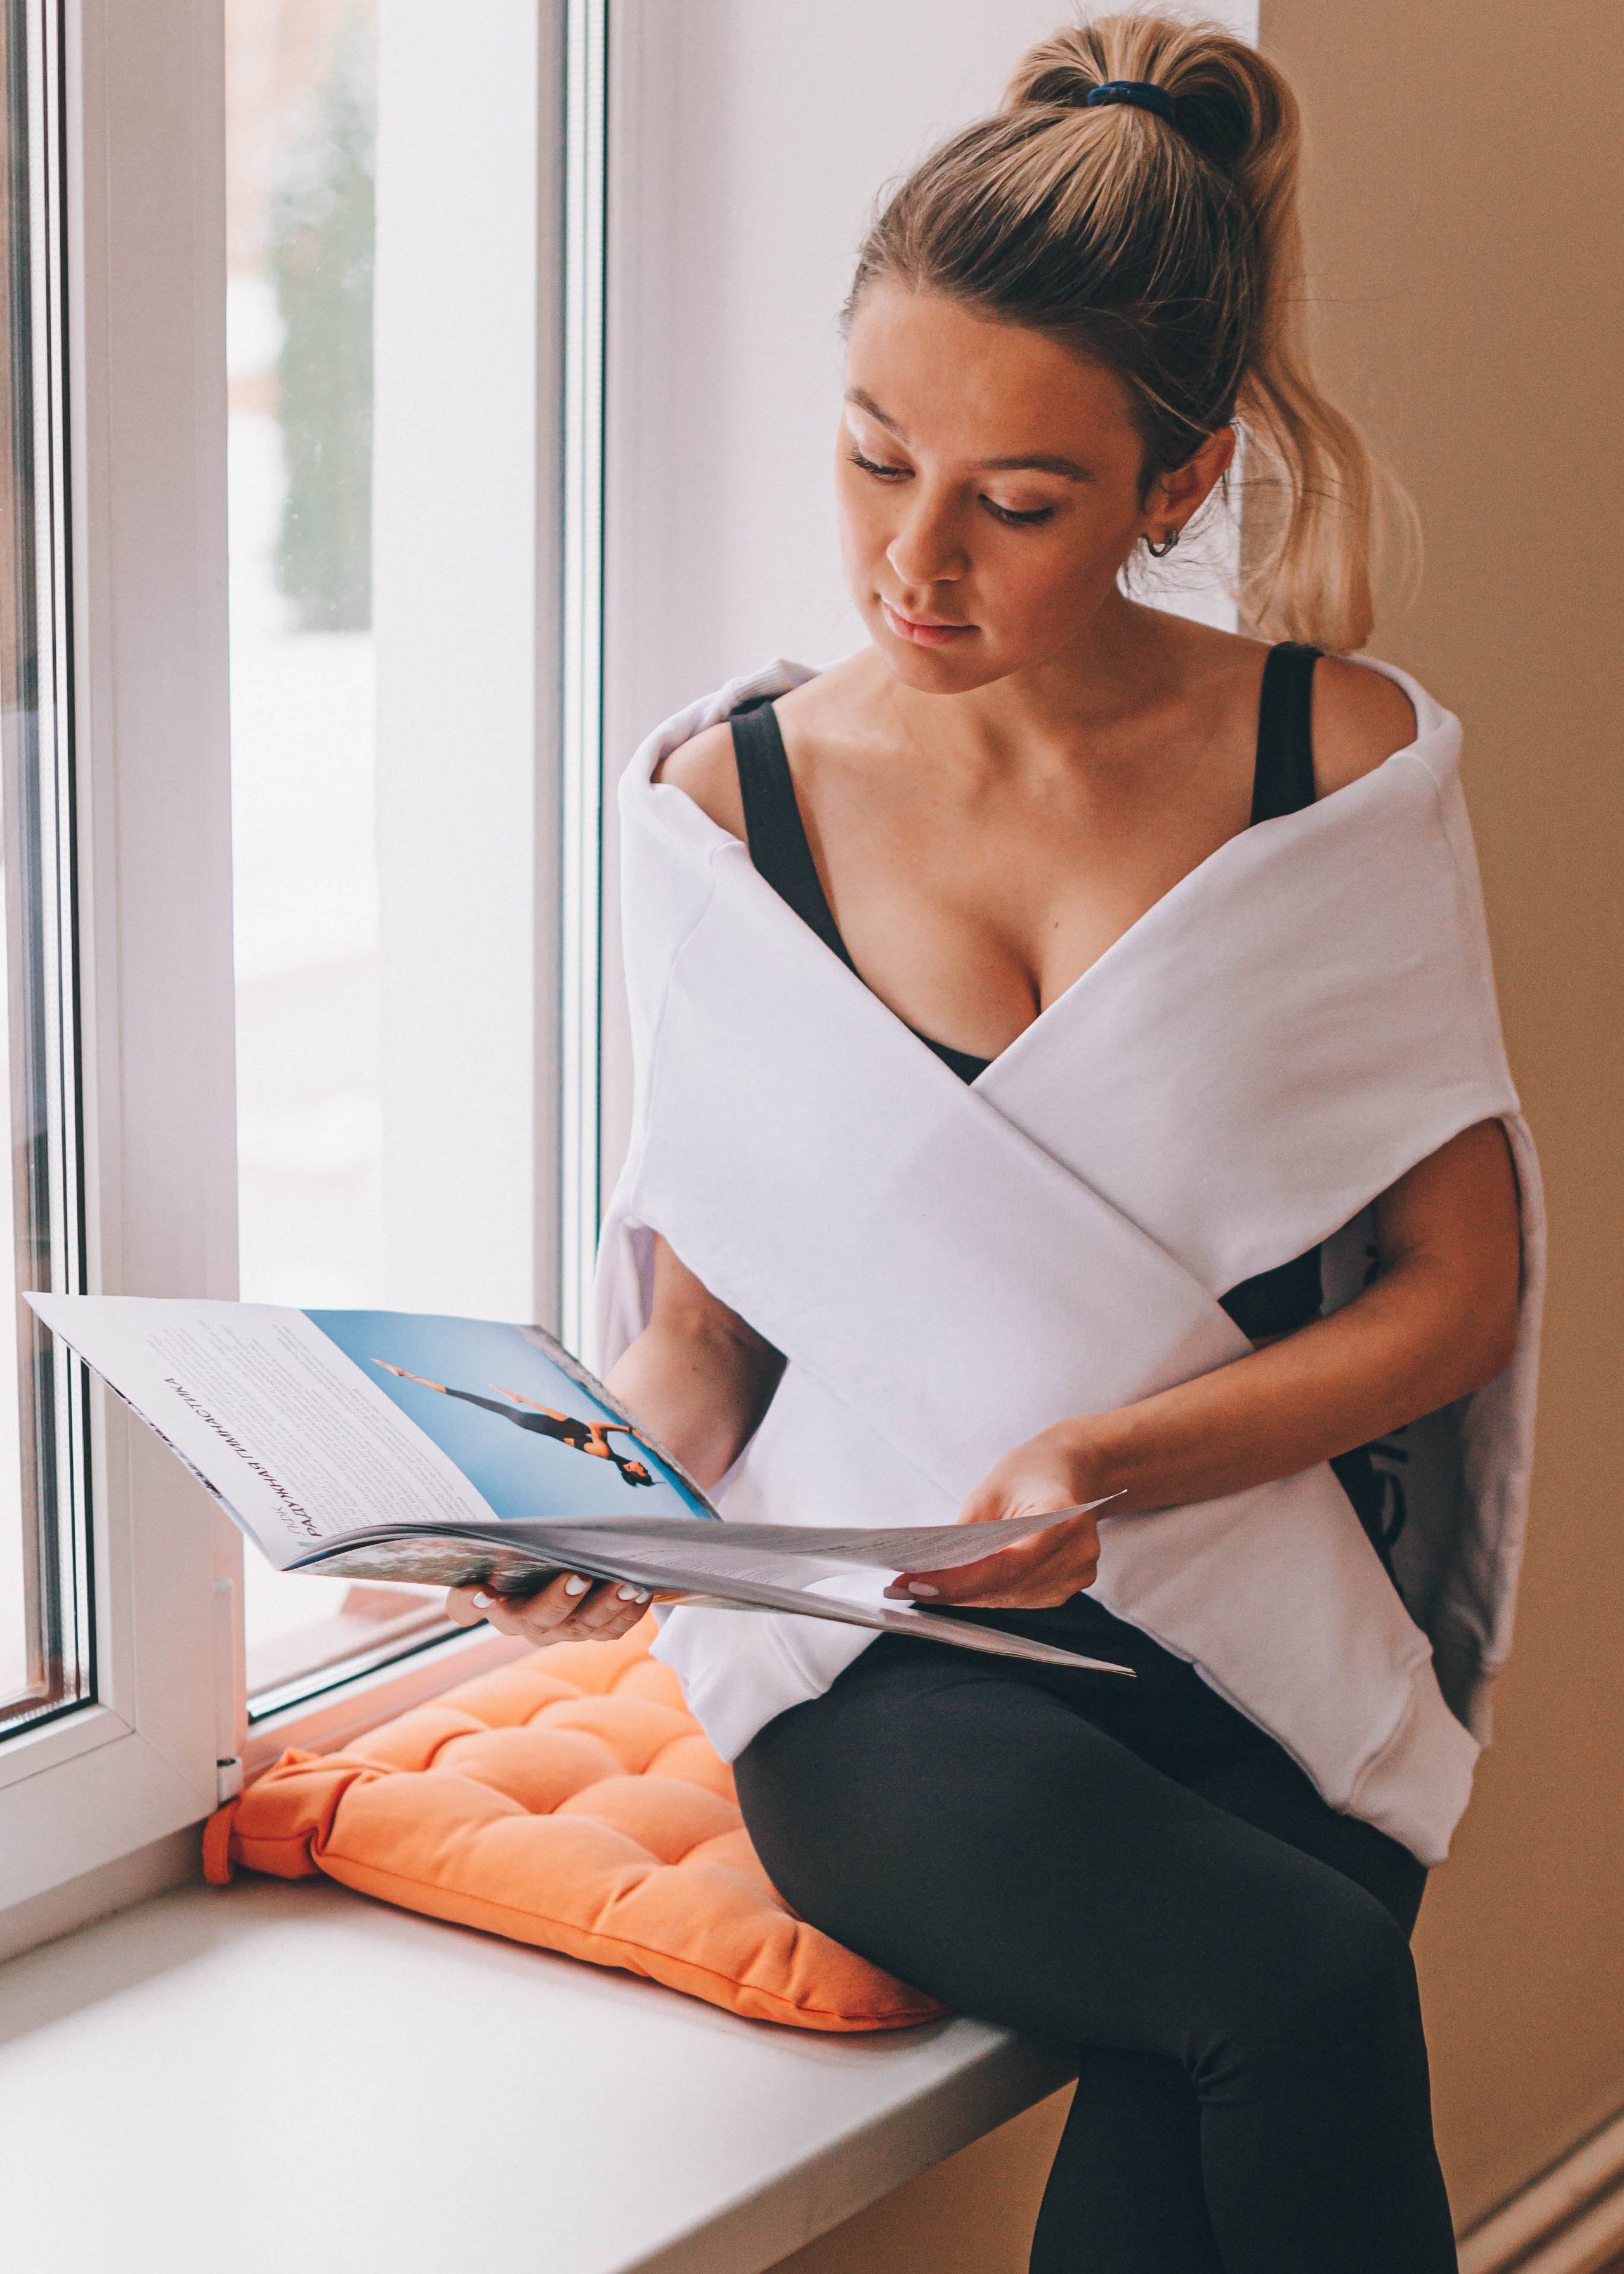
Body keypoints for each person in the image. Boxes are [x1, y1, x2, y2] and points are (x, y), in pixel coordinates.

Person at [449, 16, 1540, 2270]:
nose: (912, 559)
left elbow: (1458, 1295)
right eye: (871, 459)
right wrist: (597, 1504)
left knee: (1197, 2099)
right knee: (1298, 1991)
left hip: (1265, 1611)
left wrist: (1099, 1467)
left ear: (1174, 483)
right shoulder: (727, 811)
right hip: (886, 1667)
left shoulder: (1331, 768)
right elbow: (702, 1348)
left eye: (1015, 502)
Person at [374, 1364, 658, 1487]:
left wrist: (631, 1431)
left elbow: (594, 1425)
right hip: (553, 1423)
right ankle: (410, 1376)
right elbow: (566, 1420)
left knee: (478, 1401)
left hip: (538, 1425)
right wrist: (525, 1399)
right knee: (483, 1402)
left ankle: (408, 1376)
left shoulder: (606, 1454)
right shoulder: (609, 1453)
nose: (642, 1466)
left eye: (642, 1470)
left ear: (629, 1470)